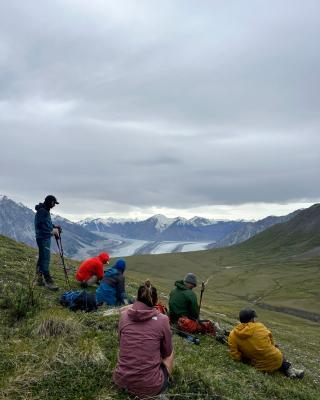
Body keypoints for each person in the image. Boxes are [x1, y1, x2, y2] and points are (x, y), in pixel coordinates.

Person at [113, 280, 174, 398]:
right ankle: (165, 382)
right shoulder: (163, 320)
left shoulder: (124, 316)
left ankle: (128, 377)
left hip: (120, 381)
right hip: (150, 388)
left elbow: (121, 343)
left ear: (137, 298)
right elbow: (167, 352)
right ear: (156, 301)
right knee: (170, 353)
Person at [228, 308, 304, 378]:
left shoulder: (233, 335)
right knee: (275, 354)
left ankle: (291, 371)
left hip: (261, 367)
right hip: (277, 359)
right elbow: (271, 341)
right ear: (251, 319)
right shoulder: (260, 326)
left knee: (263, 358)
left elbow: (235, 355)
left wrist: (243, 358)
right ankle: (291, 370)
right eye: (254, 318)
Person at [169, 273, 223, 337]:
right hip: (184, 322)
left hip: (172, 320)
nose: (193, 288)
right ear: (190, 283)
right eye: (193, 286)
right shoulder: (190, 294)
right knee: (207, 324)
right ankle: (218, 331)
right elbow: (195, 314)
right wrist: (197, 319)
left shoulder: (173, 291)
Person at [34, 195, 61, 290]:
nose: (54, 205)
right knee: (45, 258)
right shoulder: (42, 211)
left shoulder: (45, 210)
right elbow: (40, 225)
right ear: (51, 202)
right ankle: (49, 282)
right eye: (54, 203)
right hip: (43, 238)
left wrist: (54, 227)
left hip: (44, 237)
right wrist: (51, 231)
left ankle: (39, 279)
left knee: (42, 257)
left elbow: (46, 223)